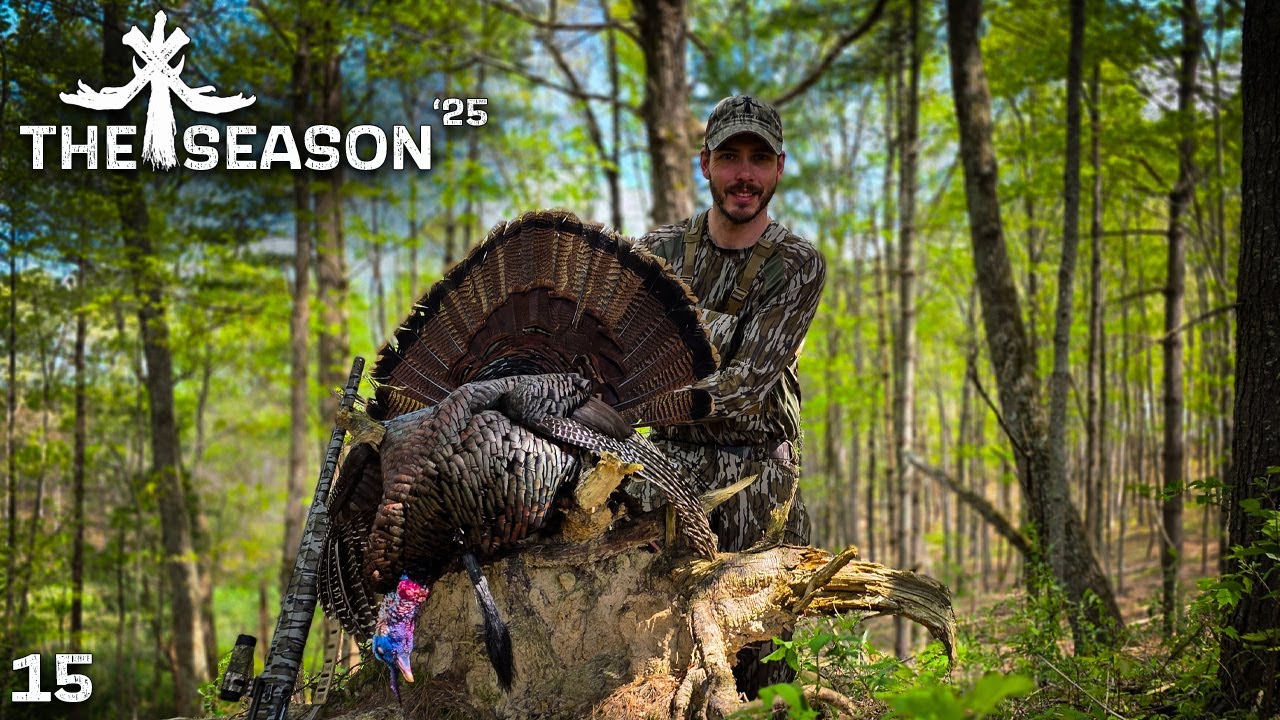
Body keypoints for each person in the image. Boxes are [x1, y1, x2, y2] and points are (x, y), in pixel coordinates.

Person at [634, 94, 826, 696]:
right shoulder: (657, 253)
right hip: (667, 470)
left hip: (757, 472)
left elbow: (746, 386)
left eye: (759, 159)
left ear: (778, 169)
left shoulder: (797, 264)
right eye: (730, 157)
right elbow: (623, 358)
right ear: (705, 165)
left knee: (764, 666)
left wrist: (642, 404)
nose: (745, 174)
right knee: (655, 653)